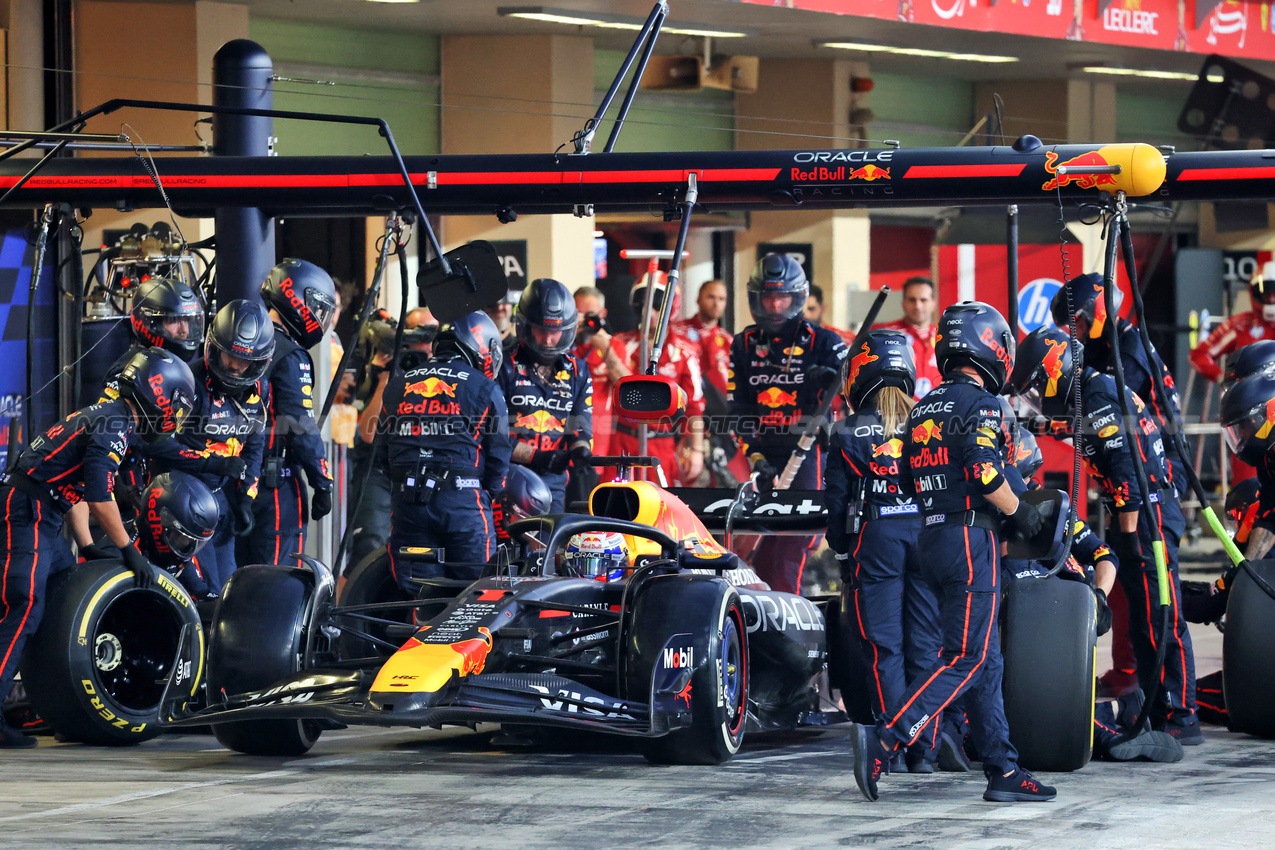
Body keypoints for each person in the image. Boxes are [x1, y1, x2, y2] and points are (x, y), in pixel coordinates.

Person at [851, 301, 1057, 804]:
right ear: (991, 345)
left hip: (931, 537)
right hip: (969, 540)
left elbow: (902, 475)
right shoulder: (985, 404)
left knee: (987, 661)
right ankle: (889, 737)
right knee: (966, 657)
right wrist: (1023, 514)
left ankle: (1003, 769)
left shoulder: (923, 405)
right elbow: (985, 472)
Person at [1011, 326, 1200, 745]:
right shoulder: (1094, 391)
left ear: (1056, 371)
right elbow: (1072, 428)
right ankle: (1158, 708)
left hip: (1145, 517)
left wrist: (1128, 538)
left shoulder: (1097, 398)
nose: (1037, 397)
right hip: (1140, 514)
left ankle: (1182, 715)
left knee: (1161, 618)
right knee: (1142, 622)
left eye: (1037, 387)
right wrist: (1023, 422)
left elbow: (1127, 473)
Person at [0, 347, 196, 748]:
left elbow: (71, 490)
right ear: (160, 395)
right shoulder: (115, 424)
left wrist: (87, 546)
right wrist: (129, 551)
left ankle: (58, 708)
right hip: (26, 510)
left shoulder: (111, 417)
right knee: (22, 605)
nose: (175, 416)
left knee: (60, 593)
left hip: (42, 510)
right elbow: (99, 497)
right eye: (176, 406)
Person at [824, 330, 938, 772]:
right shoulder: (932, 420)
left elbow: (837, 505)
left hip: (877, 539)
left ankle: (892, 746)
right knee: (927, 646)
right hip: (929, 536)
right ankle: (924, 748)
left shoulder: (846, 430)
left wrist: (841, 550)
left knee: (884, 647)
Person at [728, 254, 847, 594]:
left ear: (798, 297)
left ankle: (789, 614)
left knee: (792, 545)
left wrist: (832, 380)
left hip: (809, 453)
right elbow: (738, 411)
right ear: (756, 299)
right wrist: (756, 458)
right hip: (763, 457)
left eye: (782, 297)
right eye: (768, 297)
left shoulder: (825, 341)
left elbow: (857, 392)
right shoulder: (743, 344)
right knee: (759, 550)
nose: (776, 306)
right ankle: (764, 612)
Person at [149, 300, 273, 596]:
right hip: (180, 504)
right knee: (205, 593)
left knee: (229, 592)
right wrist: (211, 463)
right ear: (214, 348)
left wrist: (245, 497)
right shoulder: (188, 383)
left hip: (221, 502)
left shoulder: (260, 390)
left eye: (245, 361)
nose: (236, 367)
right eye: (230, 356)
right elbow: (154, 444)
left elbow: (255, 444)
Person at [380, 312, 511, 588]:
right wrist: (488, 492)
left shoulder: (397, 384)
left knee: (420, 592)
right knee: (477, 592)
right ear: (482, 346)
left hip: (408, 504)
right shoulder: (486, 387)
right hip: (462, 504)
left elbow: (382, 452)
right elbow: (499, 456)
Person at [239, 259, 338, 568]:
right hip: (274, 485)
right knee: (278, 578)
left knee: (234, 575)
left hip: (232, 480)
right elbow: (299, 424)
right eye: (318, 308)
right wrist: (322, 481)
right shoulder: (290, 354)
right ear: (299, 300)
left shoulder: (237, 341)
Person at [1051, 273, 1186, 493]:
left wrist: (1055, 423)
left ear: (1096, 311)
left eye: (1078, 324)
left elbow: (1108, 411)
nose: (1076, 333)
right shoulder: (1099, 345)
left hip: (1162, 459)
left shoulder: (1128, 352)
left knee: (1141, 514)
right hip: (1136, 453)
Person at [500, 278, 592, 512]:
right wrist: (537, 457)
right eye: (541, 330)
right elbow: (491, 434)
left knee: (551, 535)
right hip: (505, 478)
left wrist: (581, 450)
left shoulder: (578, 370)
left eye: (555, 332)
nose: (549, 340)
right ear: (525, 326)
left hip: (553, 482)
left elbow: (580, 425)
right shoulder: (502, 366)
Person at [606, 274, 706, 487]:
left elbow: (694, 407)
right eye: (643, 306)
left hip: (662, 446)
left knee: (661, 505)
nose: (649, 313)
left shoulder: (685, 351)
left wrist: (697, 450)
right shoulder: (618, 344)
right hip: (621, 444)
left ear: (671, 307)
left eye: (657, 307)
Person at [348, 326, 436, 567]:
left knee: (419, 552)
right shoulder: (389, 372)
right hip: (379, 471)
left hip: (422, 475)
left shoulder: (446, 380)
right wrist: (386, 379)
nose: (424, 353)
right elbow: (368, 434)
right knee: (368, 549)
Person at [1221, 370, 1275, 561]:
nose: (1242, 435)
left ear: (1263, 416)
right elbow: (1269, 517)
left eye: (1243, 425)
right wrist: (1245, 570)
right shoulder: (1268, 458)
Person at [1191, 261, 1275, 383]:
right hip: (1248, 392)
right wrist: (1221, 378)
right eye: (1266, 293)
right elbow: (1198, 354)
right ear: (1255, 293)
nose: (1271, 299)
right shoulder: (1240, 325)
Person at [877, 276, 941, 399]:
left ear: (933, 304)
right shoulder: (887, 335)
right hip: (898, 408)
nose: (918, 306)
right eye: (912, 300)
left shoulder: (944, 336)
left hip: (938, 408)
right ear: (903, 303)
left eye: (923, 300)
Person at [573, 286, 616, 459]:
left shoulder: (614, 346)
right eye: (579, 314)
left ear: (602, 314)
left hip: (599, 447)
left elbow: (627, 386)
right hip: (562, 443)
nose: (585, 321)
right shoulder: (559, 344)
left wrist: (606, 349)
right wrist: (567, 333)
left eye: (590, 315)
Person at [484, 289, 519, 363]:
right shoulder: (472, 348)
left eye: (504, 300)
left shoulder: (522, 351)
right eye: (491, 303)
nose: (499, 307)